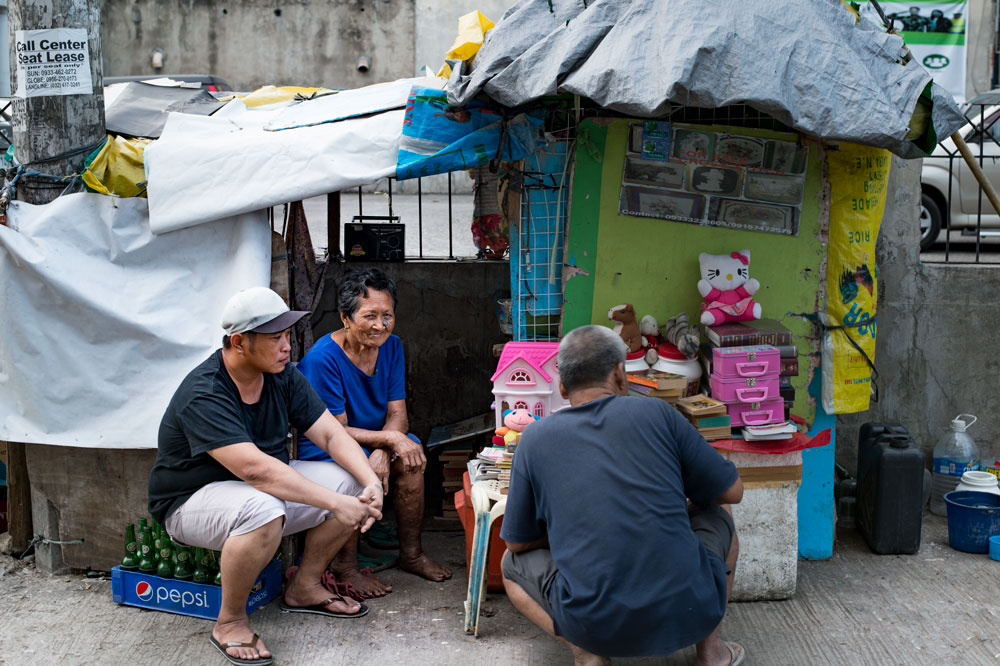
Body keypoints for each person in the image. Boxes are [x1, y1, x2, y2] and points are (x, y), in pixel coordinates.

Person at [148, 287, 384, 666]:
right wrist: (334, 504)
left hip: (257, 492)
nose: (287, 347)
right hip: (191, 502)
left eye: (287, 336)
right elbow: (254, 470)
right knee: (264, 506)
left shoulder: (282, 376)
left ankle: (305, 586)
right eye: (275, 338)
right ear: (239, 342)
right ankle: (230, 621)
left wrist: (371, 483)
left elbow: (329, 433)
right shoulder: (205, 391)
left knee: (352, 482)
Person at [500, 325, 746, 666]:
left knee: (509, 566)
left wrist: (569, 530)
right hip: (691, 613)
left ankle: (587, 655)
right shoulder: (658, 413)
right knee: (720, 512)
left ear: (561, 385)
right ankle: (712, 653)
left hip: (594, 625)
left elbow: (517, 544)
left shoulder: (534, 439)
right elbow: (731, 492)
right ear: (620, 375)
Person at [297, 268, 451, 599]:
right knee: (355, 471)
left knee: (411, 459)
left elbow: (398, 415)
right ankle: (346, 566)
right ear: (345, 318)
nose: (380, 326)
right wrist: (383, 445)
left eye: (387, 316)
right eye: (370, 316)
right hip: (329, 447)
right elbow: (334, 432)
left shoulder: (392, 347)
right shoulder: (323, 359)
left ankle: (411, 554)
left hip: (374, 440)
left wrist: (385, 448)